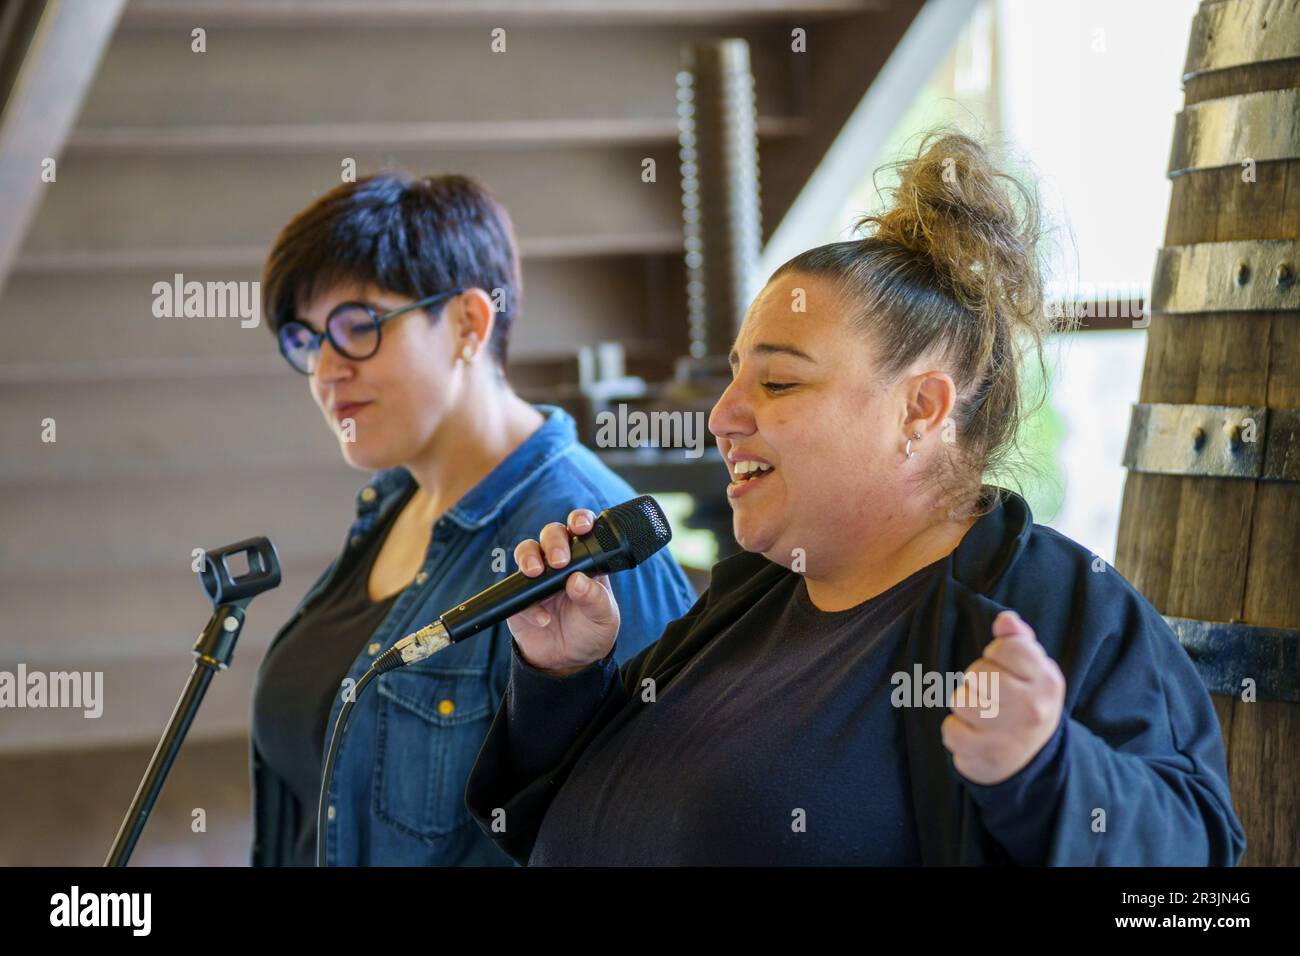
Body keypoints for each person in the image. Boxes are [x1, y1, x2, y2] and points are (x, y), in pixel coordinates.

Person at [463, 131, 1247, 865]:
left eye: (777, 381)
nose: (722, 416)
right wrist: (563, 678)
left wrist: (1047, 771)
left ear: (921, 410)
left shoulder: (1058, 606)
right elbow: (552, 823)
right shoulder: (747, 602)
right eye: (736, 376)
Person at [248, 171, 696, 866]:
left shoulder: (586, 548)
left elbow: (652, 835)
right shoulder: (396, 502)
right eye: (306, 340)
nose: (325, 371)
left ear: (468, 323)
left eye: (358, 327)